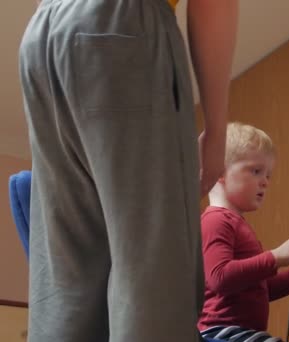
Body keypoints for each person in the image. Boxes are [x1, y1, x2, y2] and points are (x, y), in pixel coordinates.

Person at [18, 0, 237, 341]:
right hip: (125, 28)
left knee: (66, 289)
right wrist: (217, 129)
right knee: (152, 287)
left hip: (42, 35)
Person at [197, 122, 289, 341]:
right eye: (256, 171)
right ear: (219, 171)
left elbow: (264, 290)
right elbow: (219, 278)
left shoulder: (236, 223)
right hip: (220, 334)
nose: (265, 181)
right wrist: (275, 257)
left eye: (268, 175)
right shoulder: (215, 221)